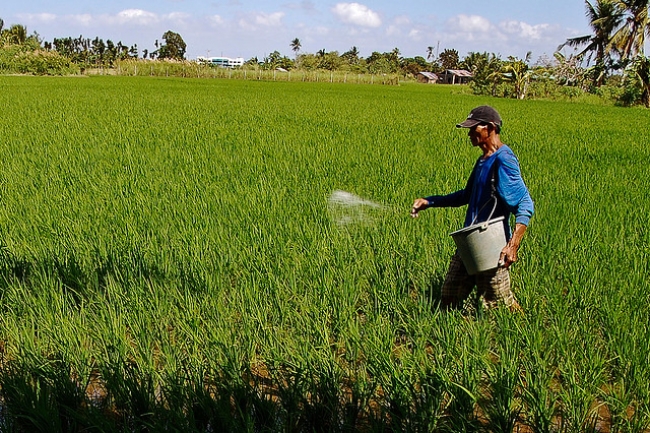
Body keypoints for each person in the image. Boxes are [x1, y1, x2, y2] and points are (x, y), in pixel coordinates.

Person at [411, 105, 534, 312]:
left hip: (492, 245)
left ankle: (524, 331)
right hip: (470, 241)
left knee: (501, 305)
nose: (469, 133)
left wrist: (512, 245)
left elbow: (525, 203)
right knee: (449, 296)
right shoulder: (483, 161)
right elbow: (466, 196)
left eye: (474, 128)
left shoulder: (504, 159)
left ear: (491, 128)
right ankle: (448, 332)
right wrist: (429, 201)